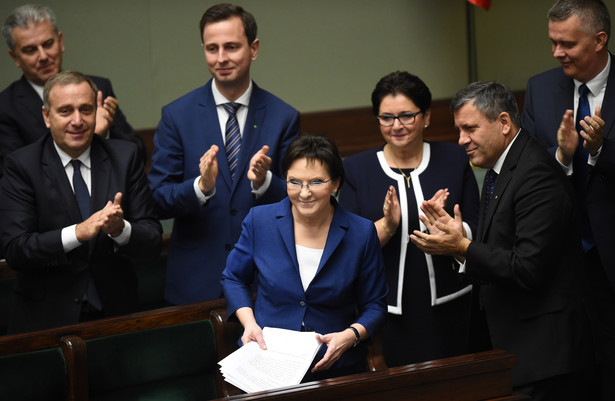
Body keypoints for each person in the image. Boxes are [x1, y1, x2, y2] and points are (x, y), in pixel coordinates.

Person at [411, 81, 593, 400]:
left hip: (545, 357)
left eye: (470, 129)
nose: (461, 140)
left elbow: (527, 268)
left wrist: (461, 246)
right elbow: (498, 247)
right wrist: (460, 240)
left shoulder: (535, 174)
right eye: (459, 130)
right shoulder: (500, 168)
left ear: (504, 123)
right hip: (516, 348)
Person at [148, 3, 300, 305]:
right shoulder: (177, 116)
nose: (221, 58)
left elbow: (301, 198)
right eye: (212, 48)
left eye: (231, 47)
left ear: (253, 49)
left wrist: (265, 182)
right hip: (195, 282)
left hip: (265, 281)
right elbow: (157, 200)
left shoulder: (284, 116)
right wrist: (200, 188)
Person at [0, 71, 162, 334]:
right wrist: (76, 233)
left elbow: (153, 240)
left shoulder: (125, 157)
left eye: (85, 110)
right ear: (46, 116)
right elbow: (16, 249)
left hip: (117, 316)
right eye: (65, 111)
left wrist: (121, 230)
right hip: (47, 321)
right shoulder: (21, 166)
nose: (77, 121)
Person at [338, 71, 479, 367]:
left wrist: (453, 230)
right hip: (390, 310)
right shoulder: (356, 170)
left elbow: (478, 226)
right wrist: (387, 227)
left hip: (454, 299)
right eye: (386, 117)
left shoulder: (454, 158)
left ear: (426, 116)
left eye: (406, 116)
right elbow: (347, 248)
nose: (396, 126)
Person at [221, 134, 388, 381]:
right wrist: (250, 324)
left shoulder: (361, 232)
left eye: (316, 182)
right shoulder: (260, 221)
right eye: (294, 182)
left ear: (335, 183)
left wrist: (350, 335)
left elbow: (375, 305)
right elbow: (234, 278)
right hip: (268, 360)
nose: (304, 193)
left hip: (337, 365)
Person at [521, 1, 614, 398]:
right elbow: (525, 171)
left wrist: (599, 151)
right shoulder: (540, 88)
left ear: (599, 40)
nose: (557, 52)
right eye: (553, 42)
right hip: (560, 257)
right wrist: (563, 155)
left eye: (567, 44)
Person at [0, 4, 146, 179]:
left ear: (60, 42)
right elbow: (14, 174)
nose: (43, 56)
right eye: (30, 50)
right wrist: (92, 135)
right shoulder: (6, 106)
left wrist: (106, 133)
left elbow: (138, 153)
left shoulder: (98, 88)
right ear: (15, 57)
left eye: (48, 44)